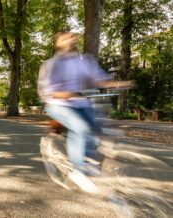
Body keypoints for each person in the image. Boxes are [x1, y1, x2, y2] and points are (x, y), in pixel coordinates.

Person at [38, 32, 132, 190]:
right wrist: (66, 94)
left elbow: (97, 79)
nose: (69, 39)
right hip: (56, 103)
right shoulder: (51, 64)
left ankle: (88, 159)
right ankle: (77, 170)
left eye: (71, 37)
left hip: (78, 102)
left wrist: (119, 84)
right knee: (80, 128)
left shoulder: (83, 61)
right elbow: (47, 91)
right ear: (57, 44)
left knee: (98, 130)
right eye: (64, 38)